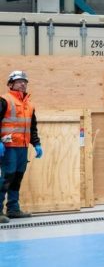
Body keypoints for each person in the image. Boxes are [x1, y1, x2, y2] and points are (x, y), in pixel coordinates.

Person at [0, 71, 42, 223]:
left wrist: (37, 144)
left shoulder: (30, 105)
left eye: (25, 81)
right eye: (19, 81)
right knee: (6, 178)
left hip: (22, 148)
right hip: (8, 147)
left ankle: (13, 209)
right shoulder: (4, 100)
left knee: (17, 178)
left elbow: (33, 127)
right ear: (11, 84)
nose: (23, 84)